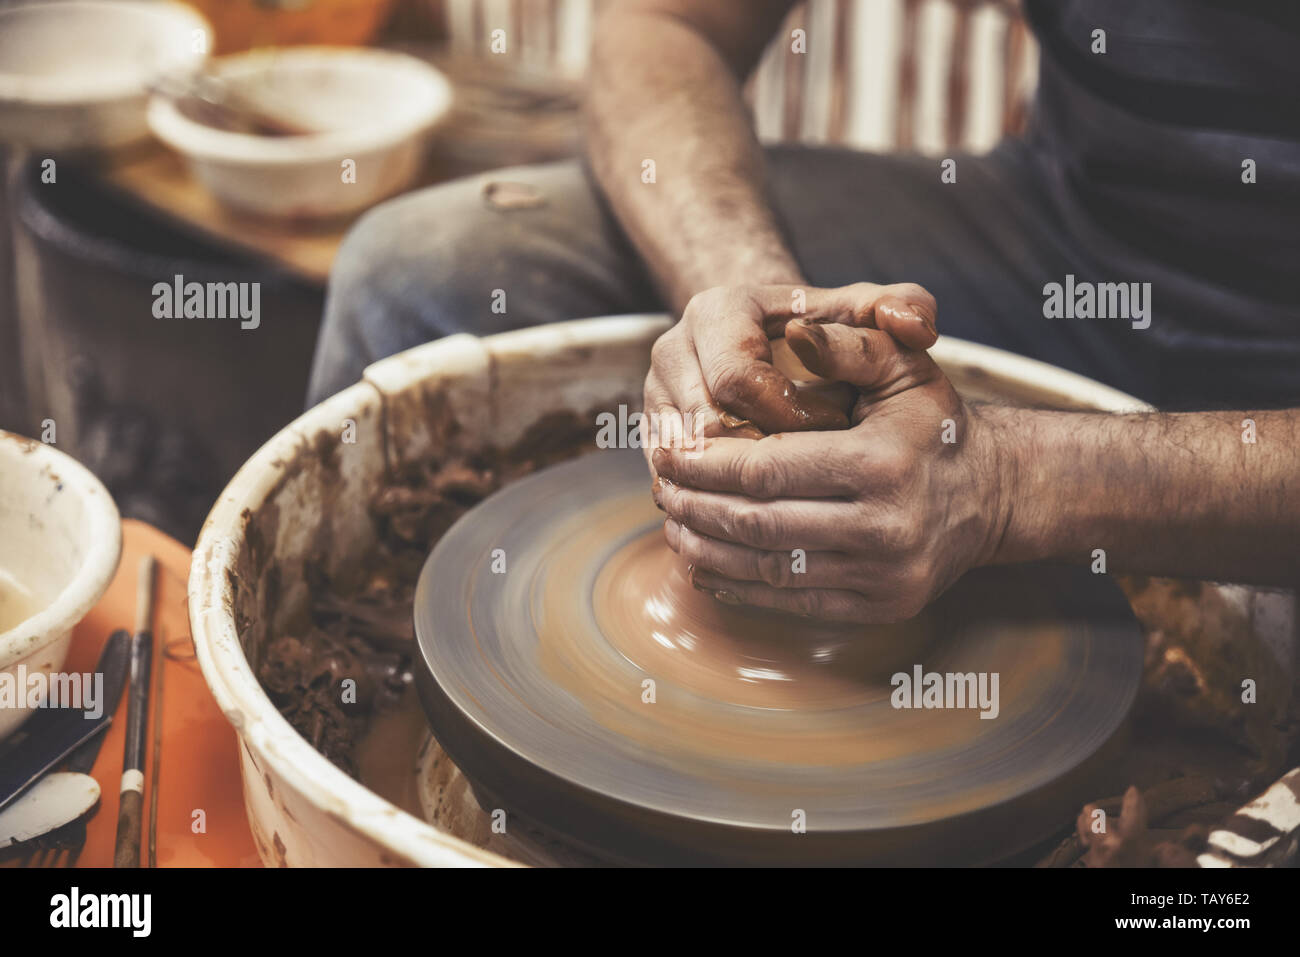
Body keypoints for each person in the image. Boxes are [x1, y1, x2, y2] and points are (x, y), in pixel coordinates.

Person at [307, 0, 1300, 623]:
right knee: (423, 271)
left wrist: (1009, 484)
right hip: (1076, 235)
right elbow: (664, 23)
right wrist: (749, 294)